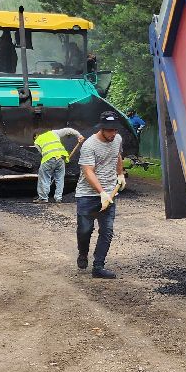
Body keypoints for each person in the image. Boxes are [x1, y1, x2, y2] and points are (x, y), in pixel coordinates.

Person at [75, 112, 126, 279]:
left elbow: (117, 156)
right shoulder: (89, 145)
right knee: (85, 230)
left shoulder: (116, 139)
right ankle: (83, 254)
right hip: (87, 195)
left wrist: (120, 174)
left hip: (110, 192)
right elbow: (88, 171)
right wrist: (101, 192)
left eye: (115, 130)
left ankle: (98, 266)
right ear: (102, 128)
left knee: (107, 230)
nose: (113, 134)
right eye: (109, 131)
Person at [33, 125, 84, 204]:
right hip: (61, 158)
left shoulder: (37, 141)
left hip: (48, 159)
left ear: (36, 136)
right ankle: (58, 198)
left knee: (44, 177)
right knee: (60, 179)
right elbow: (68, 130)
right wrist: (79, 135)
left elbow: (42, 154)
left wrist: (50, 167)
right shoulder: (54, 133)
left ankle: (43, 198)